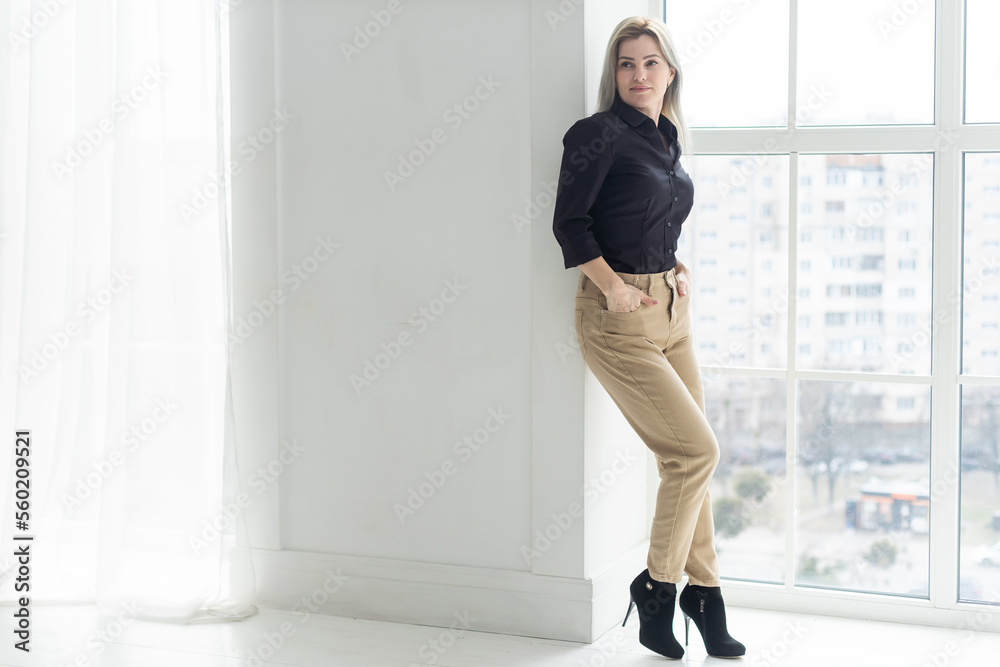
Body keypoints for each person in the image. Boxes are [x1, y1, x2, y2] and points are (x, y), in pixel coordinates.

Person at [551, 15, 745, 660]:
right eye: (626, 63)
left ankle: (705, 594)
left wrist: (674, 265)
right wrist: (613, 287)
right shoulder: (596, 134)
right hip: (619, 317)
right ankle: (658, 589)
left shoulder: (666, 137)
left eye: (650, 62)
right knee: (696, 453)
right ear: (615, 73)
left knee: (690, 462)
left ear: (670, 72)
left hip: (671, 309)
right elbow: (571, 224)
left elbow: (647, 218)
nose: (638, 74)